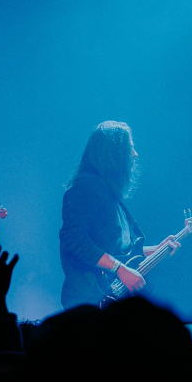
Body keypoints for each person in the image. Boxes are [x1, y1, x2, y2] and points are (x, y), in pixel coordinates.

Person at [58, 120, 148, 309]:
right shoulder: (84, 188)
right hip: (87, 300)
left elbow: (118, 249)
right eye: (130, 148)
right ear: (114, 153)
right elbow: (75, 240)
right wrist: (119, 269)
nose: (135, 154)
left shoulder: (110, 194)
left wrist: (158, 249)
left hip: (110, 299)